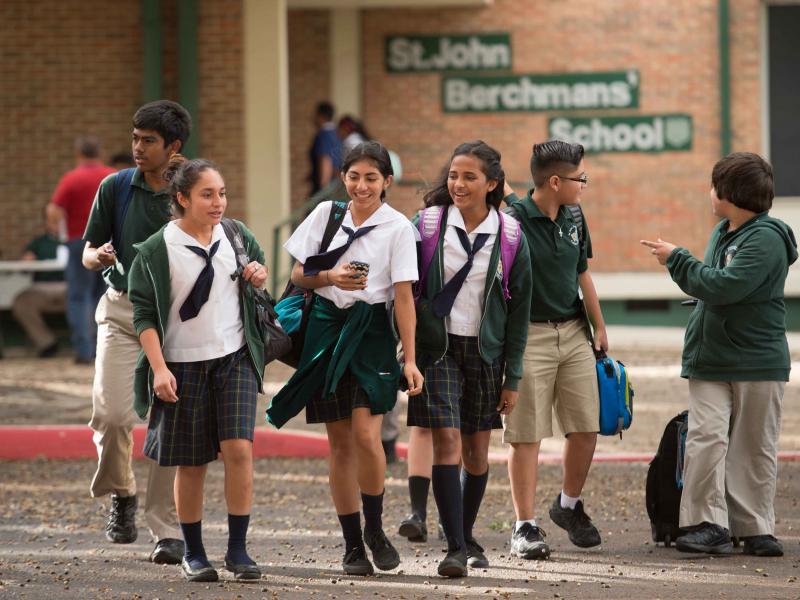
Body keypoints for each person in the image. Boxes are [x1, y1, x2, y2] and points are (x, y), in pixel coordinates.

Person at [268, 141, 424, 576]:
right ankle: (353, 544)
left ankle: (375, 528)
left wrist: (409, 360)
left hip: (372, 331)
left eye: (371, 178)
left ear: (387, 182)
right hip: (325, 327)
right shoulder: (326, 216)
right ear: (343, 178)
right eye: (354, 176)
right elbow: (299, 274)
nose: (361, 185)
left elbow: (405, 298)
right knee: (339, 443)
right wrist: (330, 276)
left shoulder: (397, 228)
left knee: (367, 435)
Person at [641, 152, 796, 557]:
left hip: (756, 360)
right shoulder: (723, 232)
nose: (709, 193)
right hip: (710, 359)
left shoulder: (765, 237)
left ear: (729, 193)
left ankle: (754, 527)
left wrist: (677, 259)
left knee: (753, 444)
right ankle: (708, 523)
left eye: (714, 186)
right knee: (706, 438)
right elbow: (714, 286)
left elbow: (725, 286)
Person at [128, 156, 267, 582]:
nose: (218, 202)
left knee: (239, 450)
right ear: (182, 198)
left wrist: (259, 276)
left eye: (222, 193)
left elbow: (260, 282)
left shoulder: (237, 235)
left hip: (235, 357)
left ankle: (239, 550)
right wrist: (159, 370)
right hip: (182, 366)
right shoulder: (156, 250)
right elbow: (144, 316)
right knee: (191, 463)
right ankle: (194, 552)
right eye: (207, 194)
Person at [408, 140, 532, 577]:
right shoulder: (425, 224)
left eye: (469, 177)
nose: (457, 184)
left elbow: (520, 314)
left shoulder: (511, 234)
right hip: (436, 349)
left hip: (484, 354)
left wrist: (512, 376)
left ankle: (465, 530)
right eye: (453, 175)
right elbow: (402, 288)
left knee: (477, 452)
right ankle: (456, 547)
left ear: (492, 183)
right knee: (446, 440)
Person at [82, 100, 192, 564]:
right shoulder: (115, 187)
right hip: (122, 312)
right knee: (111, 414)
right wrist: (99, 257)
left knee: (168, 425)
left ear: (173, 148)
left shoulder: (189, 189)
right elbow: (87, 251)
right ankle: (121, 493)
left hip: (176, 321)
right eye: (135, 138)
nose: (137, 148)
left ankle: (166, 530)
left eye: (148, 141)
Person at [502, 140, 607, 560]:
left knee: (587, 427)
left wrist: (599, 324)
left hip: (574, 331)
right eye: (581, 178)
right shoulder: (512, 222)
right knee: (526, 434)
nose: (585, 185)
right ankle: (524, 526)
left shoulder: (575, 215)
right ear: (556, 180)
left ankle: (567, 505)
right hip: (529, 337)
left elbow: (582, 273)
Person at [47, 136, 114, 363]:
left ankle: (84, 350)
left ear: (78, 153)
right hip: (108, 243)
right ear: (100, 152)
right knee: (104, 294)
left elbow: (54, 209)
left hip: (78, 242)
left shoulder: (71, 179)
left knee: (78, 296)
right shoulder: (111, 176)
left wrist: (56, 230)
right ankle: (100, 347)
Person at [11, 210, 67, 357]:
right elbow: (23, 267)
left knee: (93, 298)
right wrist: (26, 261)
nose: (57, 226)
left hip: (71, 287)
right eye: (53, 222)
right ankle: (46, 343)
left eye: (60, 221)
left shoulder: (77, 241)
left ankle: (87, 344)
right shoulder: (39, 242)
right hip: (42, 288)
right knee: (21, 302)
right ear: (46, 223)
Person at [309, 101, 343, 195]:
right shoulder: (337, 133)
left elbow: (325, 160)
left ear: (321, 116)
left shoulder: (324, 135)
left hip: (327, 187)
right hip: (336, 184)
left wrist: (324, 190)